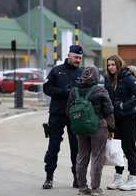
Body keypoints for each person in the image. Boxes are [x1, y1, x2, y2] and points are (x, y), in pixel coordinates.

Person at [67, 66, 115, 196]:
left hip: (81, 128)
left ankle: (82, 187)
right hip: (98, 127)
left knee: (82, 156)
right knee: (97, 156)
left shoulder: (74, 91)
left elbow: (68, 111)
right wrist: (111, 128)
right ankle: (95, 188)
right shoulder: (100, 90)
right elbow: (109, 111)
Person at [42, 45, 83, 189]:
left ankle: (77, 178)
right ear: (69, 55)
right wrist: (64, 92)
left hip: (76, 116)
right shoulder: (56, 70)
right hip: (57, 115)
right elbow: (46, 88)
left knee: (76, 149)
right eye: (76, 57)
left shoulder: (82, 72)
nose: (78, 60)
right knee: (53, 146)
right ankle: (49, 177)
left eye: (80, 58)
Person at [104, 54, 136, 191]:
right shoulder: (108, 80)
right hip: (116, 119)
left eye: (113, 65)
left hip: (129, 118)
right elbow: (107, 99)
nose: (110, 67)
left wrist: (124, 106)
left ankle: (132, 179)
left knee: (129, 149)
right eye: (109, 65)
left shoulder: (127, 77)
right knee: (117, 150)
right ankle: (118, 178)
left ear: (118, 64)